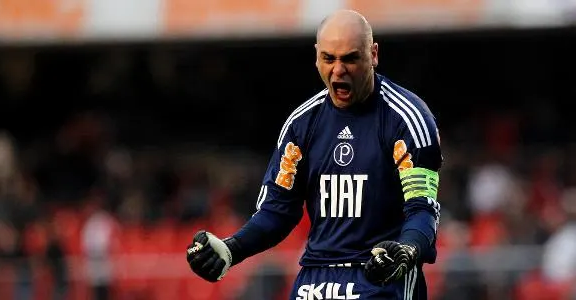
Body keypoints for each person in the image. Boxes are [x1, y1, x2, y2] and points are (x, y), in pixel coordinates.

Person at [186, 9, 443, 300]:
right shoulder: (301, 124)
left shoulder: (408, 119)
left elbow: (422, 208)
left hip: (380, 278)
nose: (338, 70)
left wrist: (407, 250)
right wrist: (232, 249)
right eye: (329, 58)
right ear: (316, 56)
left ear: (373, 54)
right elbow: (277, 210)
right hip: (315, 280)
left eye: (350, 58)